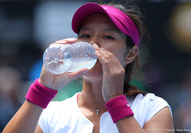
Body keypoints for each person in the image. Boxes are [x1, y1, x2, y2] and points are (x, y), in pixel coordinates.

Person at [3, 2, 174, 133]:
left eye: (108, 36)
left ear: (130, 54)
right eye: (85, 35)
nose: (93, 44)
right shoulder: (52, 113)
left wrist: (115, 100)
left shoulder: (153, 108)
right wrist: (43, 90)